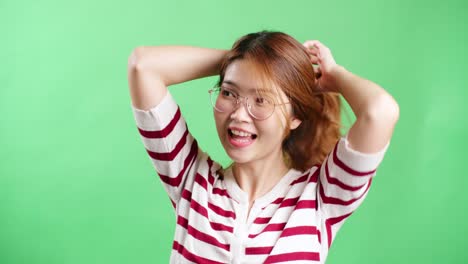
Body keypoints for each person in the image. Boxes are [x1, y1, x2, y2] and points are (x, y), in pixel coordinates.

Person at [127, 30, 399, 264]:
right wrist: (246, 59)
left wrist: (335, 76)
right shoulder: (190, 180)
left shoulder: (320, 197)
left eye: (261, 100)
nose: (239, 115)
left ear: (295, 117)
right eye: (229, 92)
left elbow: (380, 112)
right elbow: (143, 66)